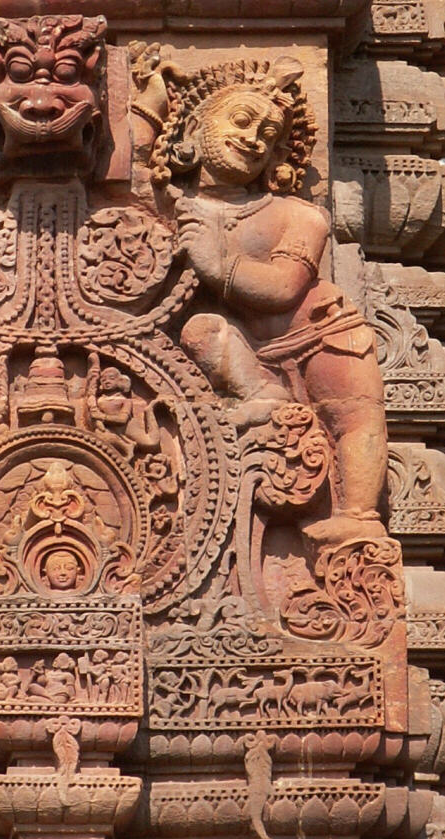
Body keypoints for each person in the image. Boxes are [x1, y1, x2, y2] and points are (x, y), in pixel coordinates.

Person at [155, 58, 387, 545]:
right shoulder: (179, 210)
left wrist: (220, 267)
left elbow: (284, 287)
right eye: (240, 120)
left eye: (266, 133)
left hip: (323, 333)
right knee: (201, 330)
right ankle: (265, 396)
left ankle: (360, 516)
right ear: (195, 129)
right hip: (253, 353)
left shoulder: (296, 215)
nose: (253, 138)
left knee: (352, 418)